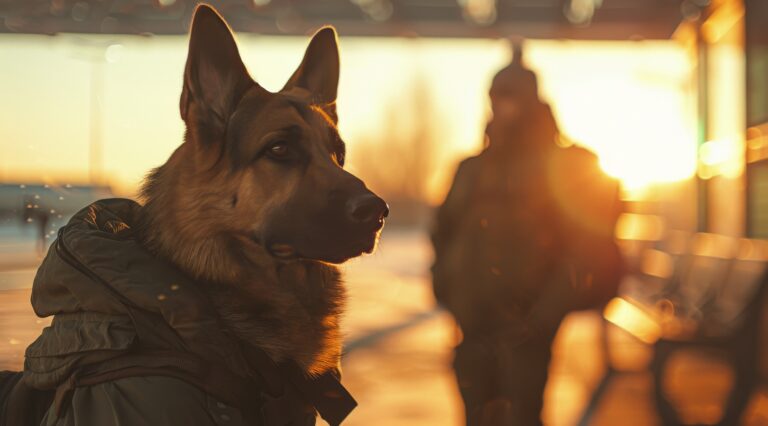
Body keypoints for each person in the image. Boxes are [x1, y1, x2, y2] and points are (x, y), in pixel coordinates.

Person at [431, 45, 624, 426]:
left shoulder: (564, 167)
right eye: (496, 97)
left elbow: (584, 249)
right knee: (474, 416)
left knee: (523, 416)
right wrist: (449, 291)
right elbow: (442, 233)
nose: (502, 106)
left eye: (511, 96)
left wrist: (541, 319)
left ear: (532, 100)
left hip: (527, 330)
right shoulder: (471, 169)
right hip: (472, 324)